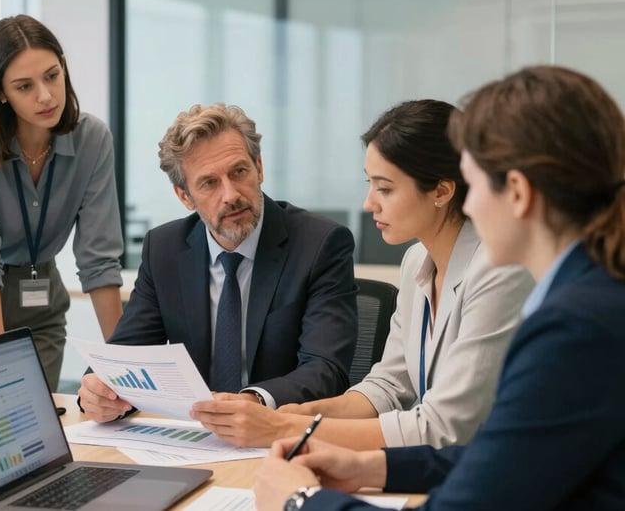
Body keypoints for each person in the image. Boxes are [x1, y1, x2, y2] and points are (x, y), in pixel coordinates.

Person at [254, 65, 625, 510]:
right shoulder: (594, 297)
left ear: (519, 193)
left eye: (474, 185)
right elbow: (509, 459)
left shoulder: (575, 327)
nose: (468, 204)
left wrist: (300, 501)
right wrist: (375, 468)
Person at [191, 99, 533, 448]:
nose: (369, 202)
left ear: (442, 191)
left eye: (385, 188)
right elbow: (388, 386)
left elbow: (443, 427)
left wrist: (283, 430)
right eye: (370, 184)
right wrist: (294, 415)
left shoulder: (500, 270)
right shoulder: (418, 260)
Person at [78, 102, 358, 425]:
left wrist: (252, 401)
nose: (230, 195)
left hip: (280, 435)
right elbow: (125, 355)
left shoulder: (319, 244)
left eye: (239, 172)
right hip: (195, 440)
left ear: (259, 167)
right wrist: (98, 390)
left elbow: (326, 370)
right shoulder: (164, 250)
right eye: (209, 183)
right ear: (184, 196)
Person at [0, 15, 124, 391]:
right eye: (24, 86)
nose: (45, 95)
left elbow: (99, 259)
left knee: (37, 426)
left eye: (52, 75)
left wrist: (125, 365)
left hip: (44, 306)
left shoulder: (93, 139)